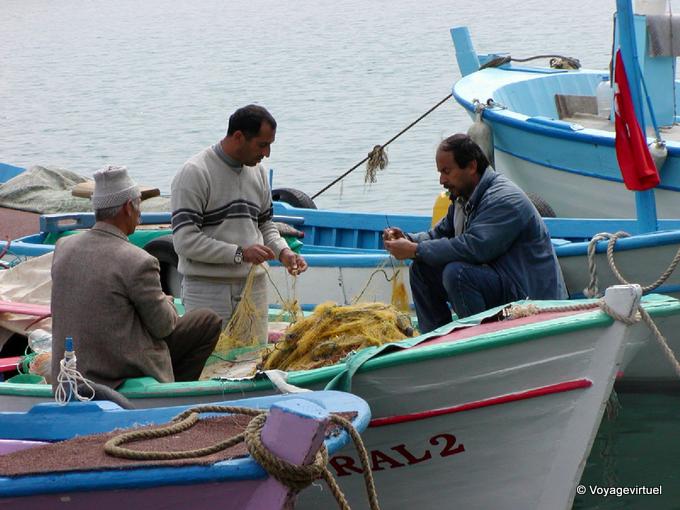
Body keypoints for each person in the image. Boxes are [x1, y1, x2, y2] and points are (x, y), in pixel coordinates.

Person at [51, 165, 222, 391]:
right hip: (115, 370)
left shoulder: (63, 247)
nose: (140, 213)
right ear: (127, 208)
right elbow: (164, 327)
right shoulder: (138, 261)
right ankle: (172, 395)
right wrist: (166, 302)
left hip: (71, 368)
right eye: (138, 204)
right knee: (207, 320)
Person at [383, 133, 567, 333]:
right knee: (422, 269)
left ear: (471, 166)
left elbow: (474, 247)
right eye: (440, 172)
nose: (441, 180)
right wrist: (408, 239)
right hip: (501, 285)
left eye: (446, 171)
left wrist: (415, 250)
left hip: (530, 299)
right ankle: (435, 342)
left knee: (458, 273)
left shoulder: (504, 199)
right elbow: (438, 235)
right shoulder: (463, 198)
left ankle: (475, 340)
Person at [171, 104, 307, 343]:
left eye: (270, 145)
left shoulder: (259, 174)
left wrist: (283, 251)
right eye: (262, 145)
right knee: (208, 363)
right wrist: (240, 254)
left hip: (253, 286)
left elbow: (265, 224)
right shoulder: (195, 172)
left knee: (254, 361)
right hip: (207, 289)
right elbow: (185, 241)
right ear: (238, 137)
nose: (267, 153)